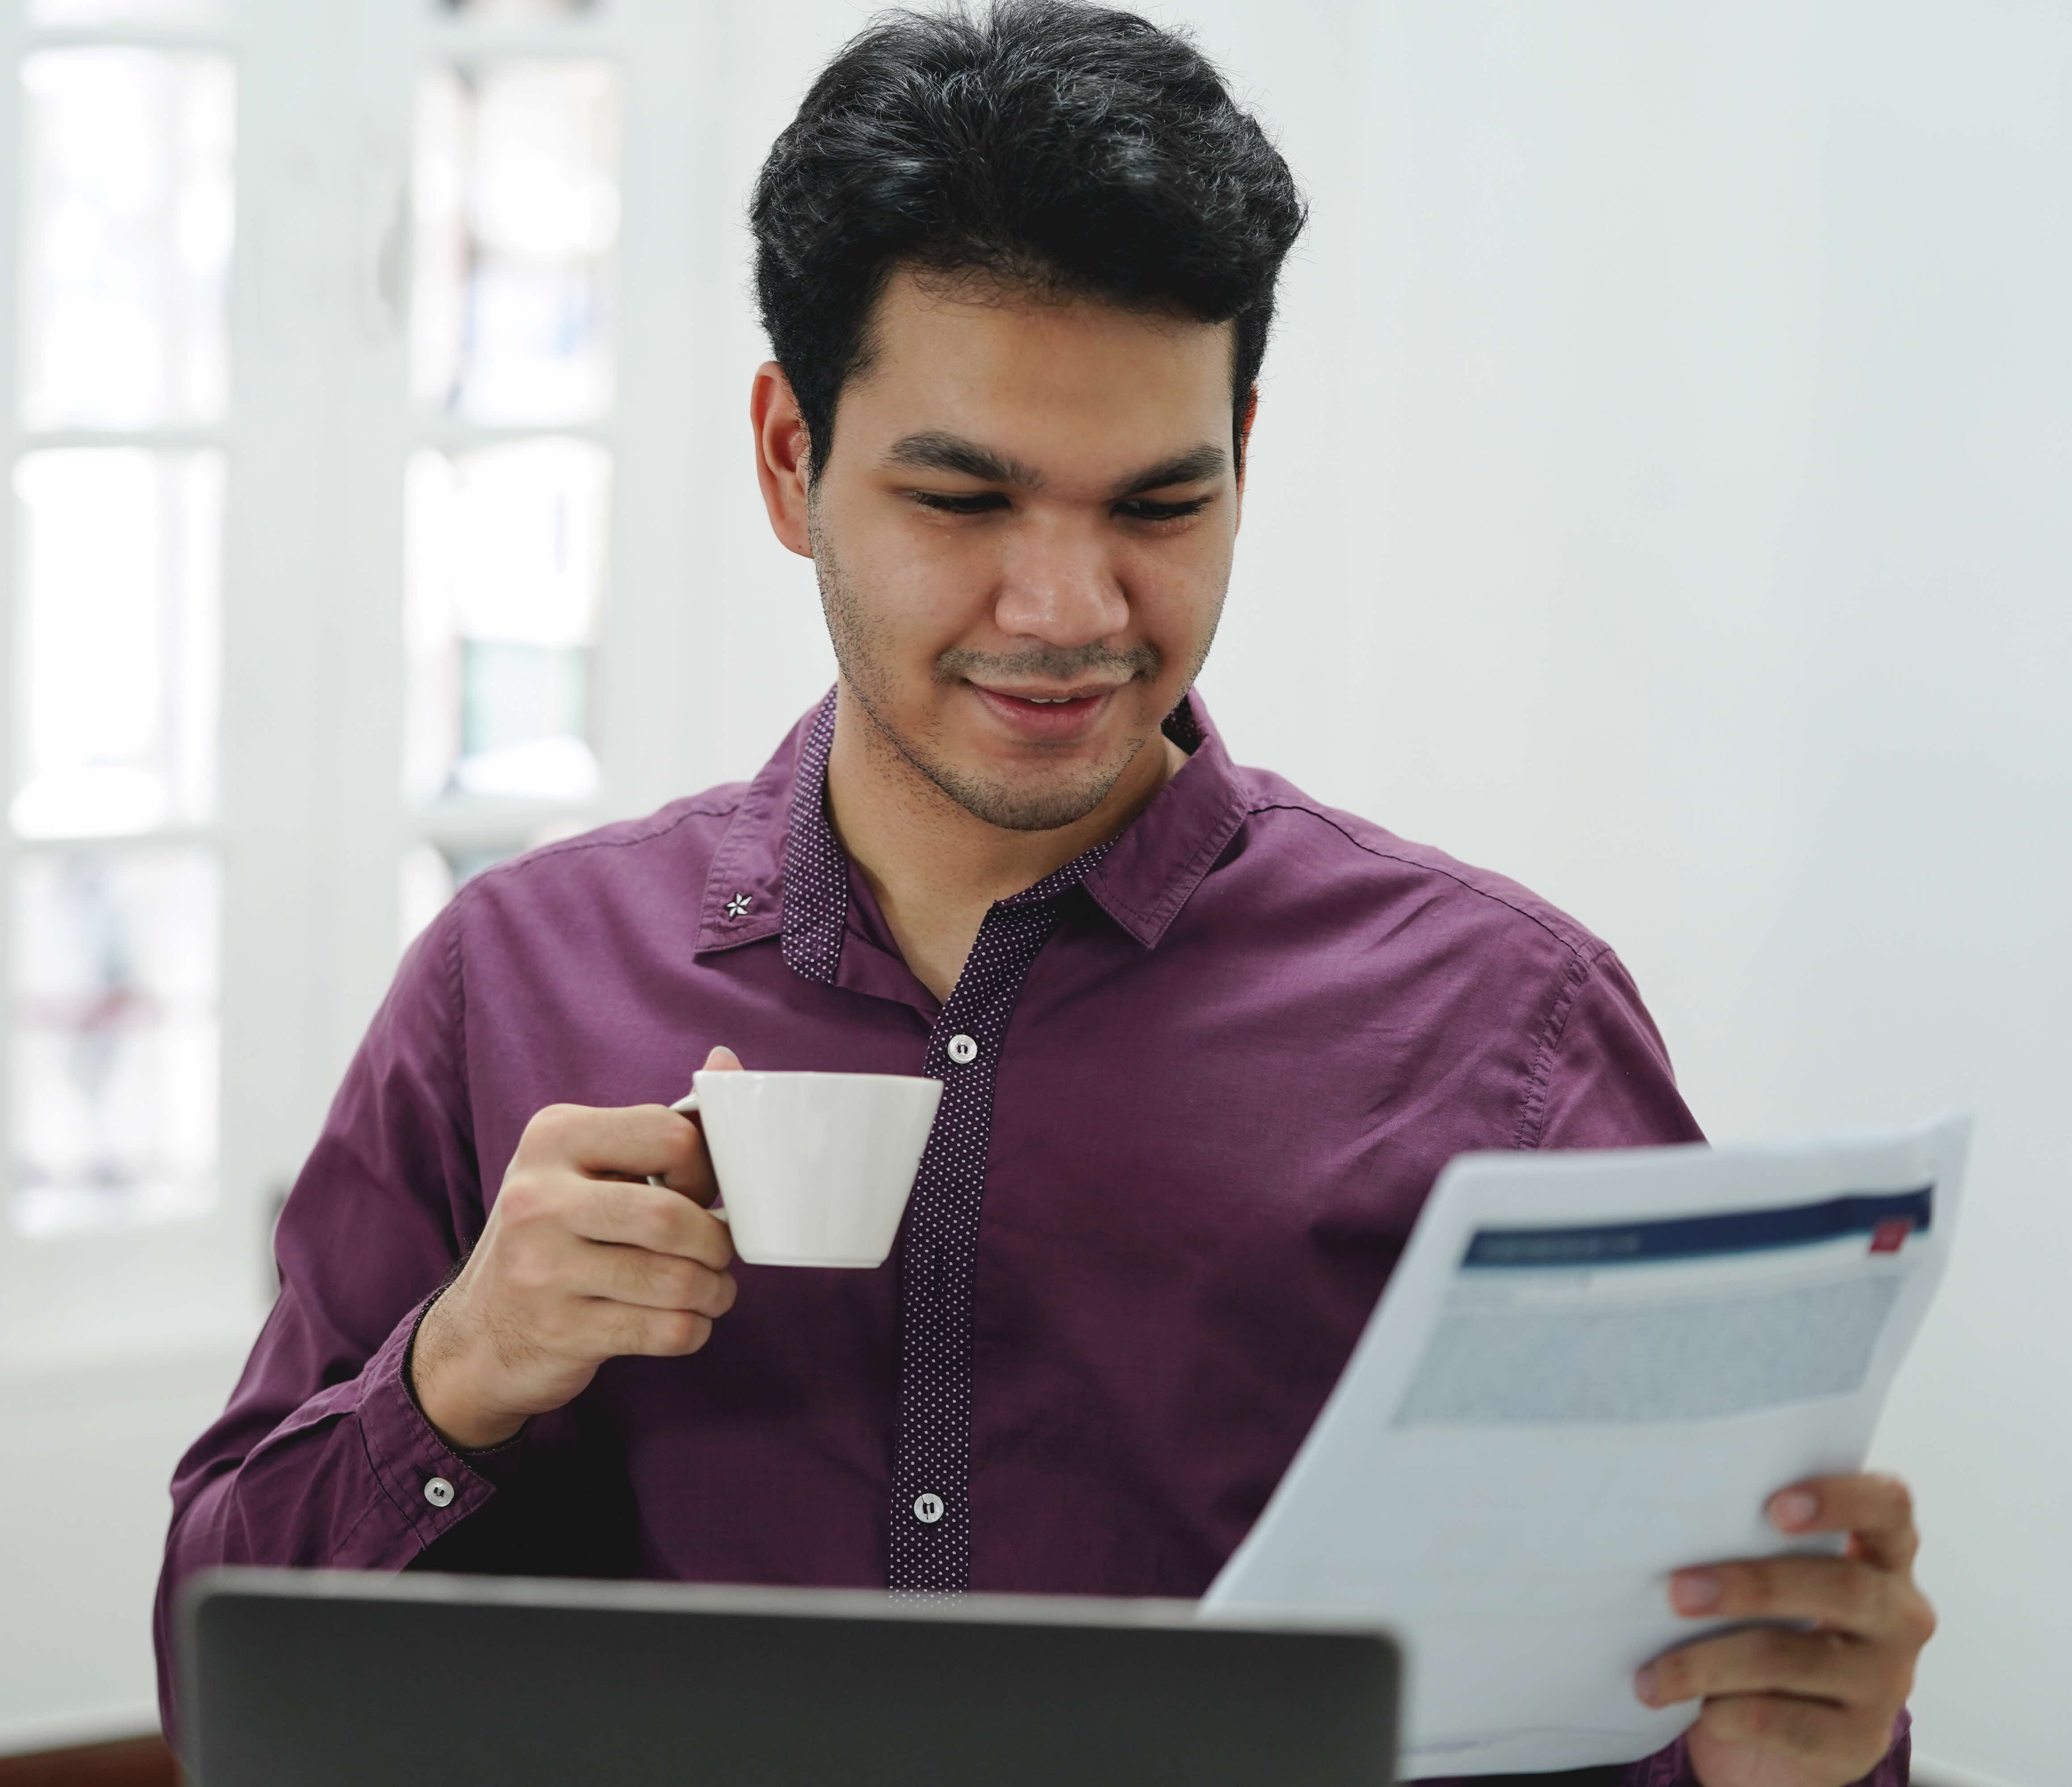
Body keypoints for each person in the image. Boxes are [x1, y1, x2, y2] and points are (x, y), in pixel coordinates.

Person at [155, 5, 1934, 1782]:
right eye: (965, 498)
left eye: (1162, 504)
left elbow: (1654, 1696)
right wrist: (456, 1366)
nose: (1070, 609)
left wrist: (1802, 1753)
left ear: (1245, 449)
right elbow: (213, 1666)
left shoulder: (1505, 1032)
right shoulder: (514, 987)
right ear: (792, 459)